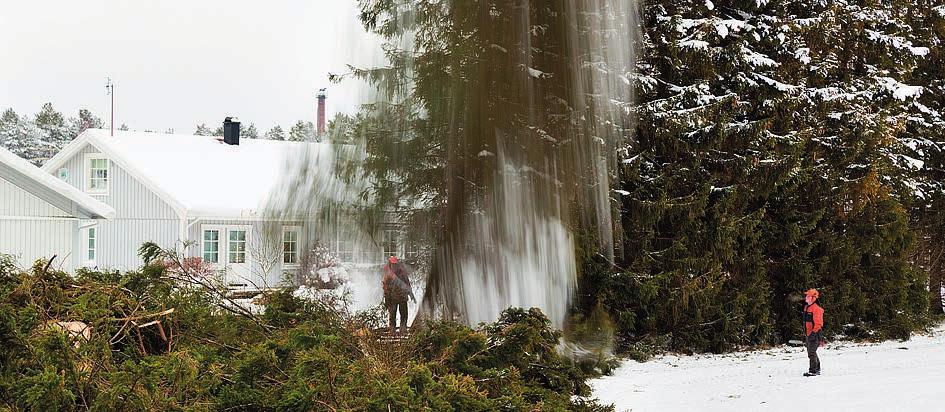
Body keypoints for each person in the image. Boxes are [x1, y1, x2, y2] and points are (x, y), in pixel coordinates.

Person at [382, 256, 415, 335]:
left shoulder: (401, 272)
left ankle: (402, 330)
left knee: (403, 314)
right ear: (390, 264)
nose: (394, 265)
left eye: (395, 264)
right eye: (392, 264)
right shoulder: (388, 274)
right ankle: (392, 331)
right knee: (393, 315)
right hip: (393, 298)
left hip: (402, 297)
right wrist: (386, 299)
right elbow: (385, 288)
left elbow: (407, 284)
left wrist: (411, 294)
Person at [803, 288, 824, 376]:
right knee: (812, 351)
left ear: (813, 298)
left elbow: (818, 324)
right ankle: (817, 368)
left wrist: (813, 333)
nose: (806, 298)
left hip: (815, 333)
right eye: (806, 296)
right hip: (808, 333)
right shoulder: (807, 307)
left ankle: (813, 370)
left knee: (811, 352)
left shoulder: (816, 309)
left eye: (808, 296)